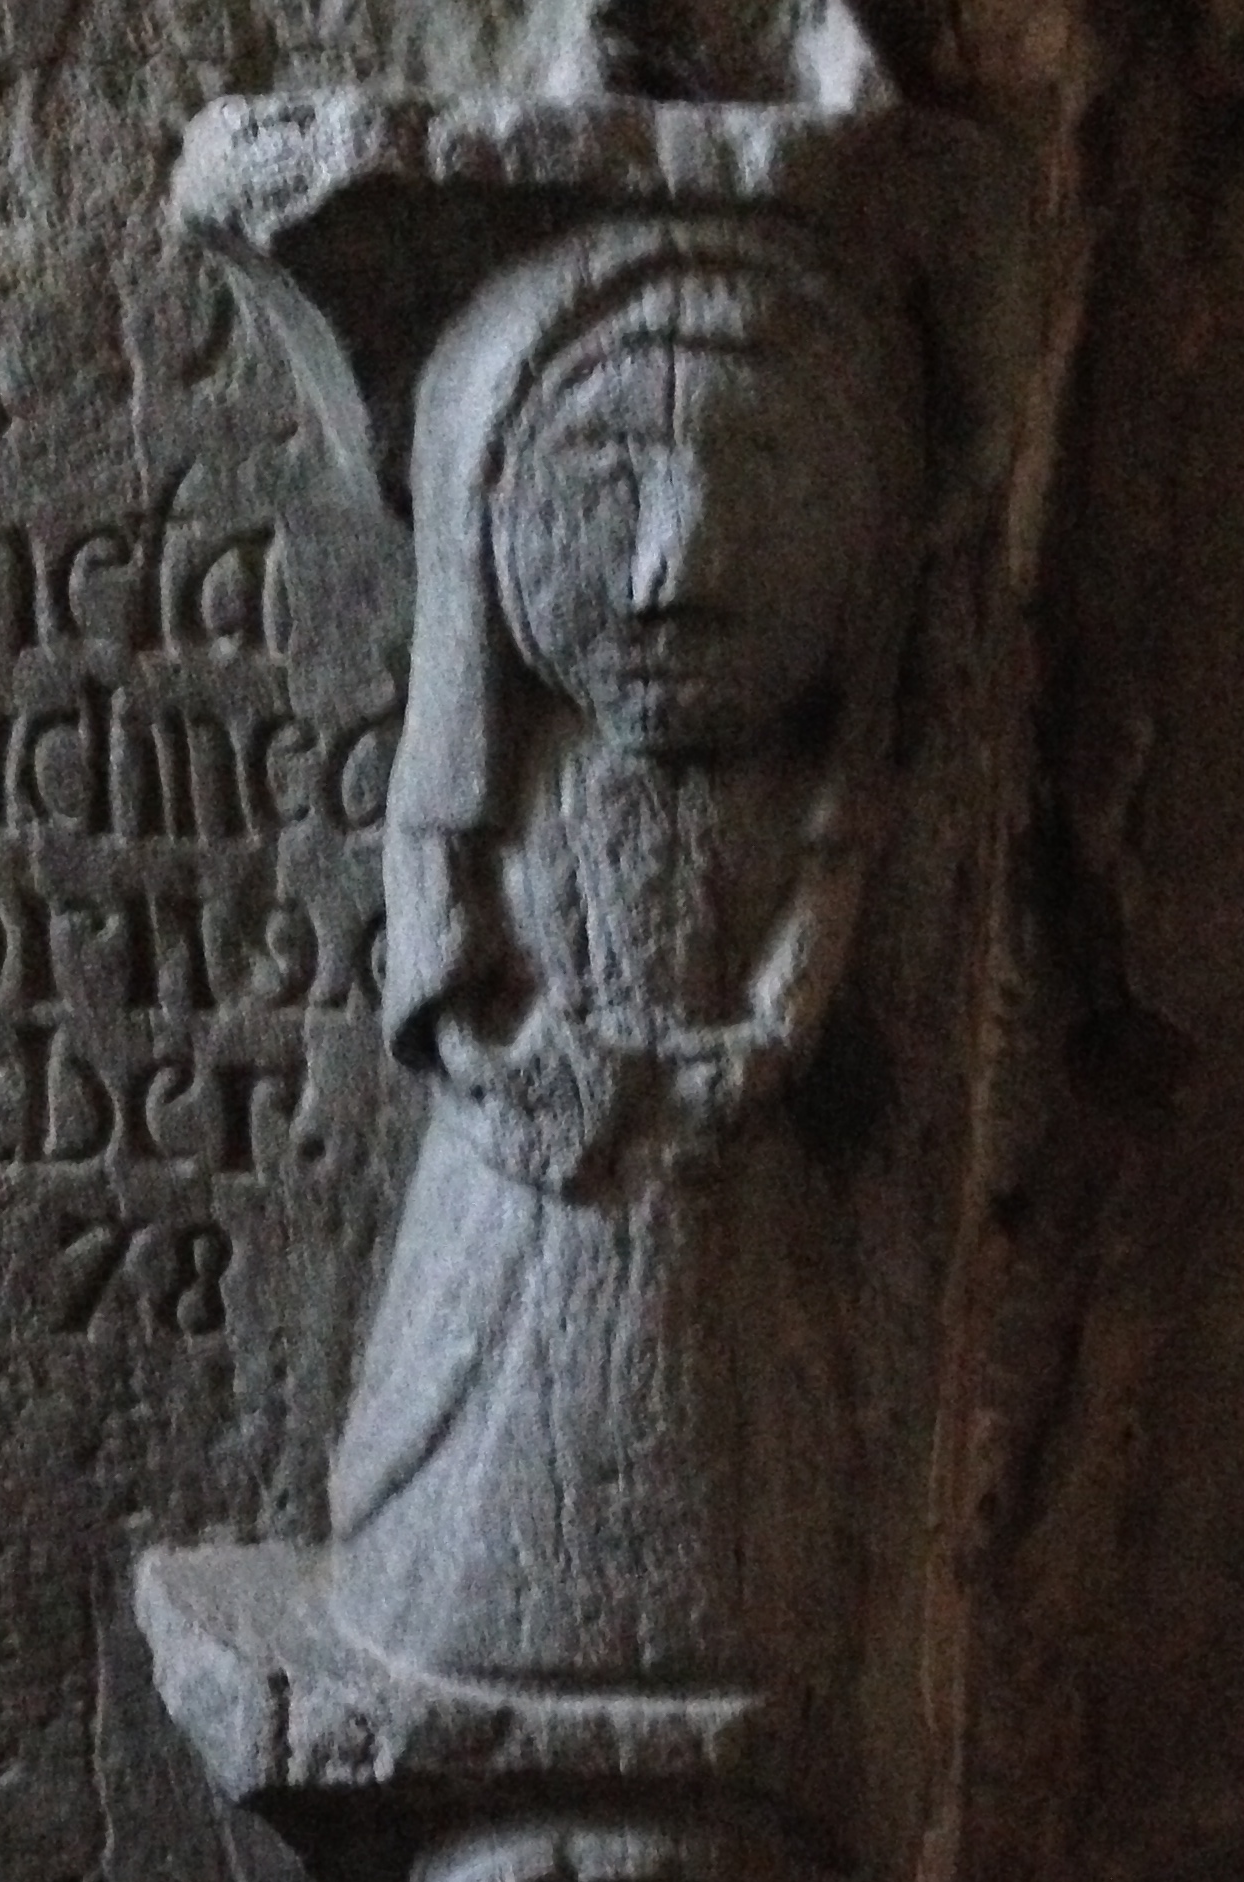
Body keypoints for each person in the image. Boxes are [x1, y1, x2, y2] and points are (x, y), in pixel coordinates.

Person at [325, 214, 924, 1696]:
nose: (676, 570)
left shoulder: (802, 792)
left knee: (748, 1516)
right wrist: (516, 1061)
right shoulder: (503, 776)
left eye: (763, 487)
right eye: (604, 482)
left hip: (727, 1210)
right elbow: (447, 970)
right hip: (529, 1195)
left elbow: (818, 923)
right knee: (484, 1515)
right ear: (485, 514)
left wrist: (761, 1045)